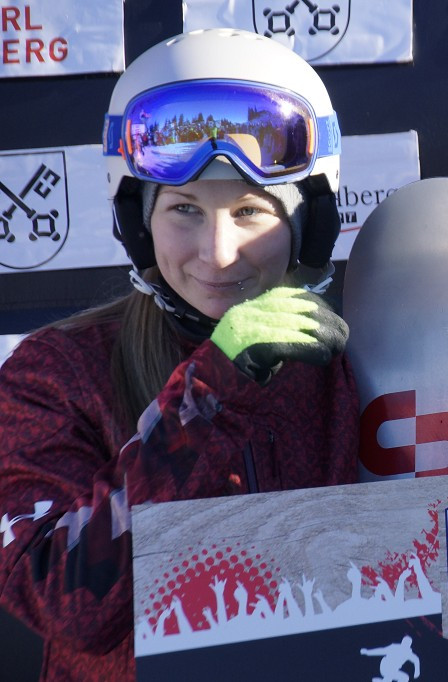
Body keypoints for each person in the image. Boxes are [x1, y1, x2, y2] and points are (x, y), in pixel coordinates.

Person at [0, 29, 357, 681]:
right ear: (137, 222)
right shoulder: (54, 375)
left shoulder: (357, 362)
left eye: (250, 211)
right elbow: (66, 602)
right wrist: (213, 391)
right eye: (185, 209)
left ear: (311, 220)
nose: (216, 253)